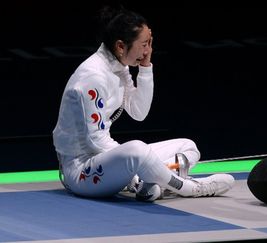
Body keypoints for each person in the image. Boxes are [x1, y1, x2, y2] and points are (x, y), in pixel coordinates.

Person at [52, 6, 234, 201]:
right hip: (81, 172)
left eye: (149, 44)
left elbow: (139, 112)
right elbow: (96, 140)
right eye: (144, 44)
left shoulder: (118, 66)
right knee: (137, 150)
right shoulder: (93, 77)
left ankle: (150, 185)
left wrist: (146, 68)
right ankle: (188, 187)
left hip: (106, 161)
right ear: (121, 46)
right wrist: (136, 162)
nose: (147, 50)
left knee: (188, 147)